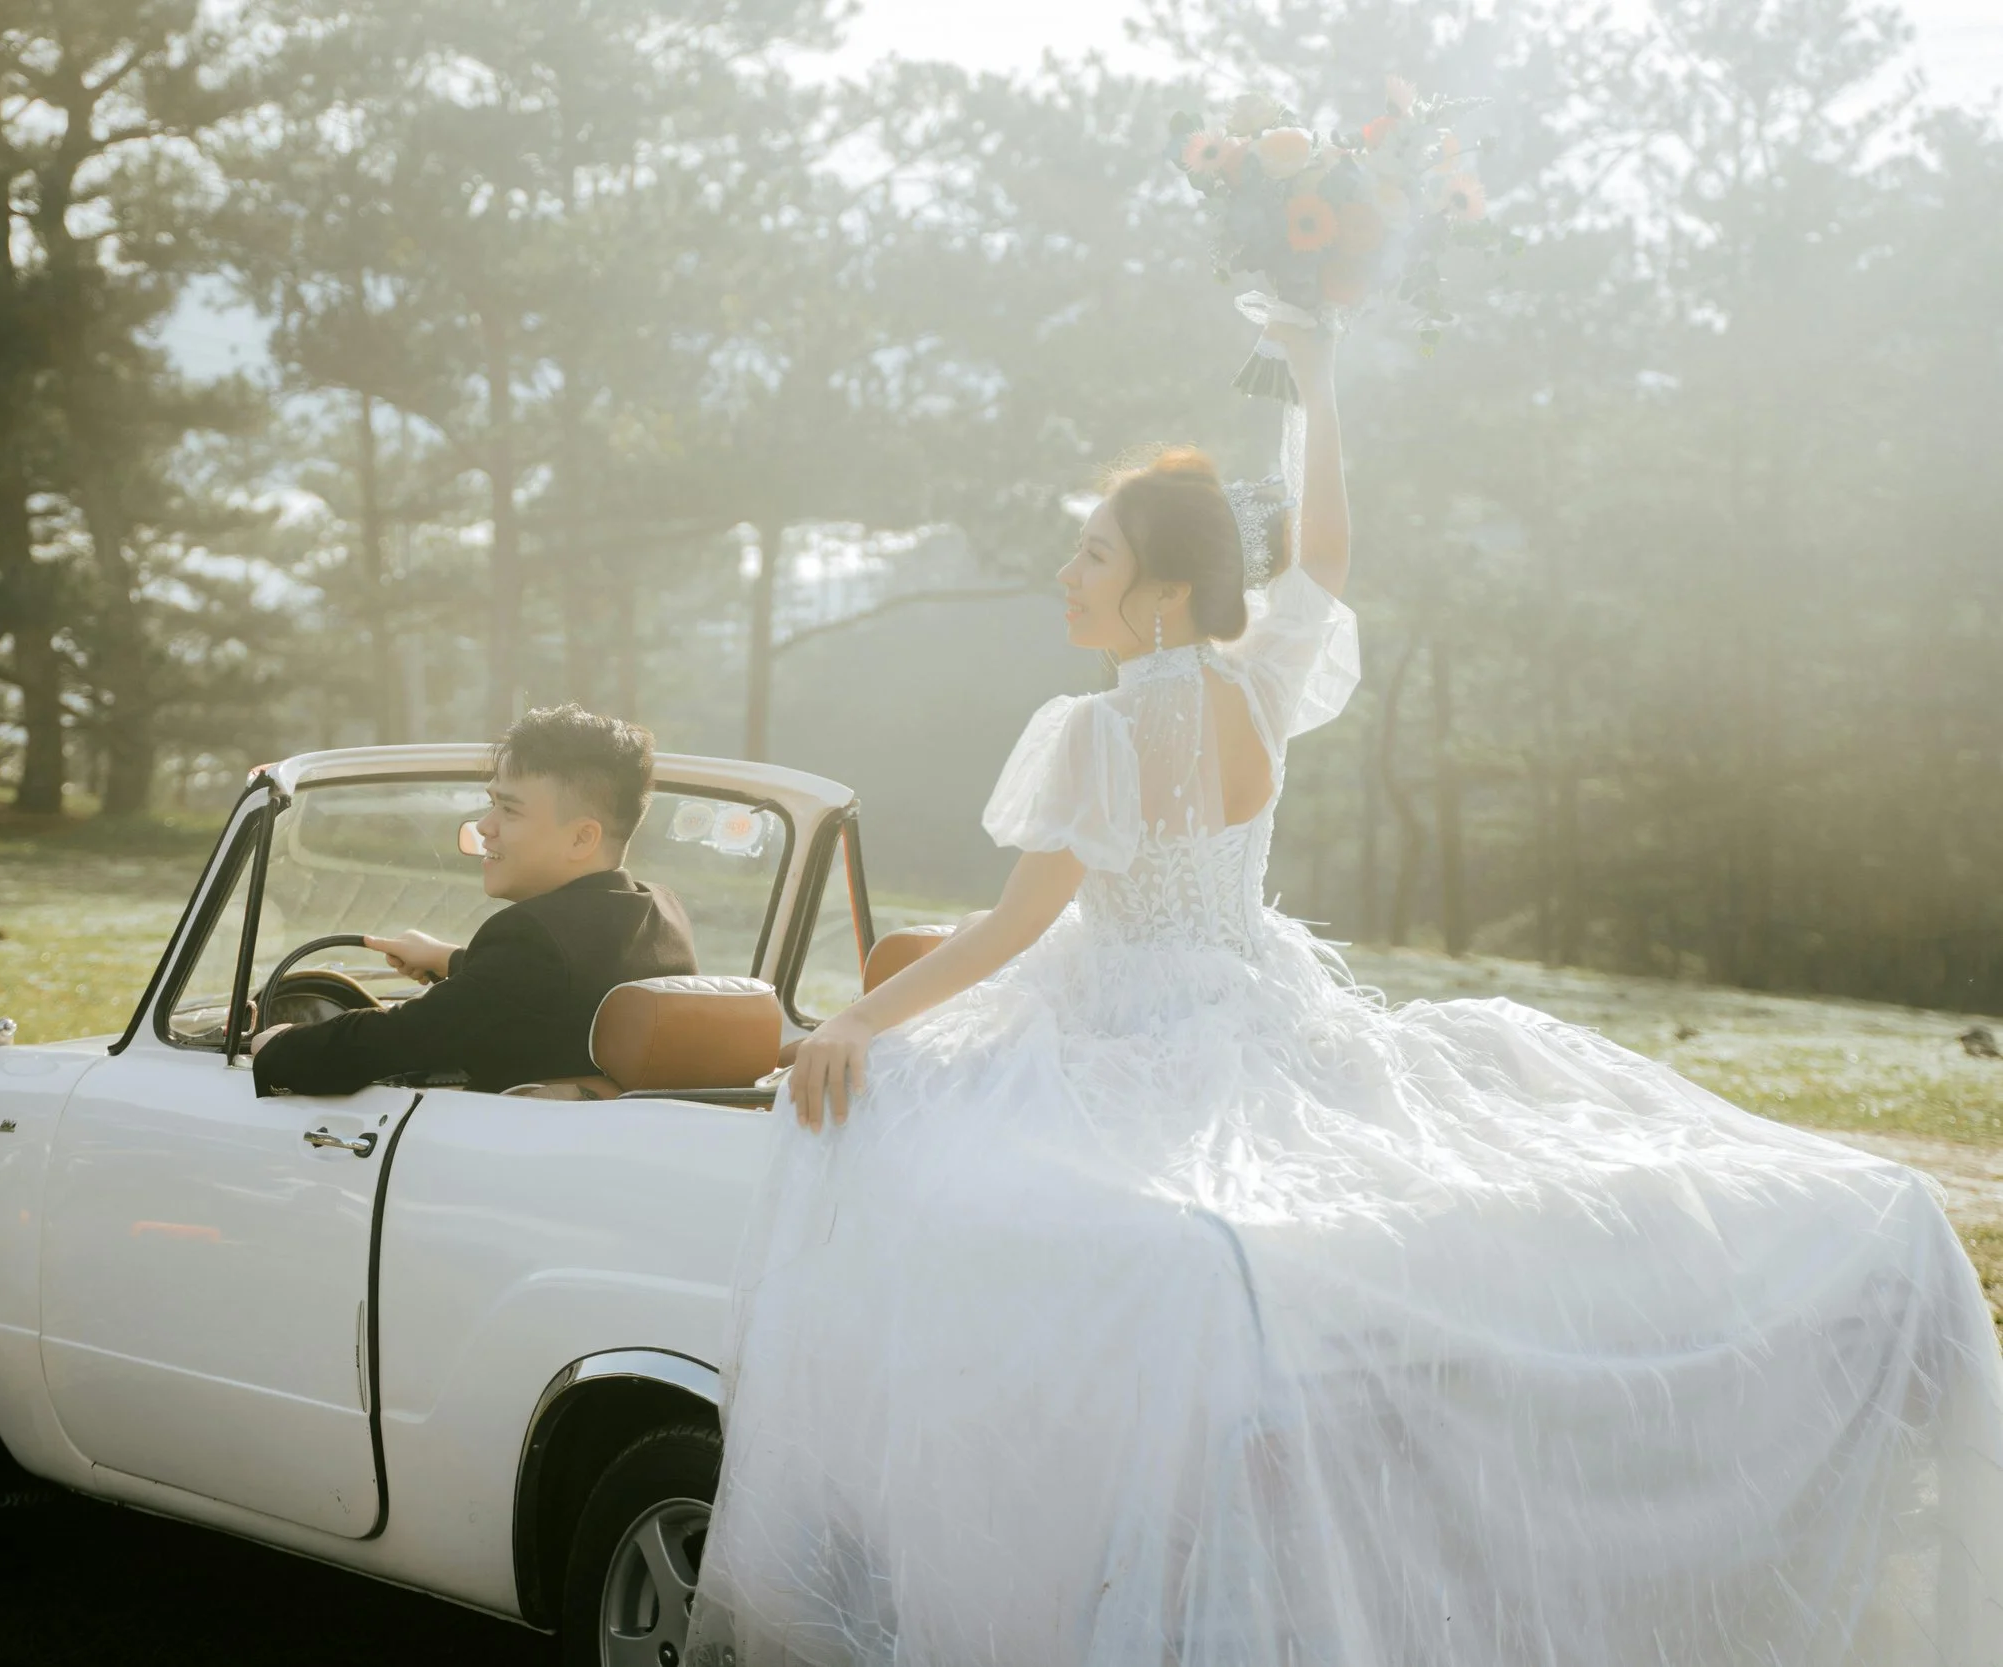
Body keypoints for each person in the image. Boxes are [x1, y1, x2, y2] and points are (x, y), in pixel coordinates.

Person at [686, 325, 2003, 1666]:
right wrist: (1317, 384)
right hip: (1261, 1003)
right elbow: (1323, 559)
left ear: (1160, 591)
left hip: (1130, 1016)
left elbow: (1023, 927)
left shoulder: (1099, 728)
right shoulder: (1253, 684)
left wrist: (854, 1018)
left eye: (1092, 553)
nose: (1065, 573)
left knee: (885, 1136)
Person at [250, 704, 696, 1096]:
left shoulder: (532, 938)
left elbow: (398, 1039)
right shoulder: (659, 913)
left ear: (582, 838)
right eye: (491, 805)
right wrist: (447, 958)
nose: (485, 826)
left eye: (509, 809)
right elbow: (555, 988)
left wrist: (280, 1044)